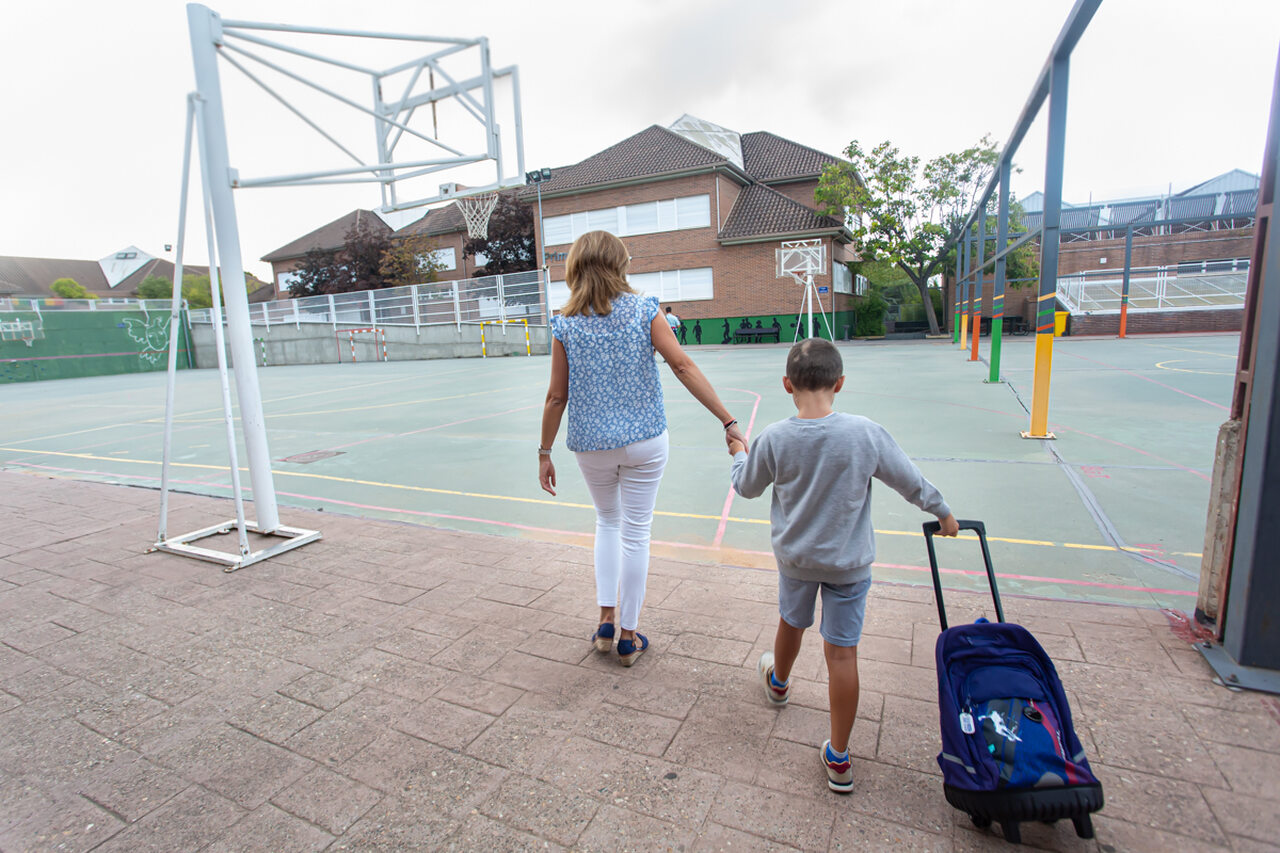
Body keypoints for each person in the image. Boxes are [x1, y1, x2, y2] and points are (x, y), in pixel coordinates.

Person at [726, 338, 958, 792]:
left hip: (796, 559)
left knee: (792, 622)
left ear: (787, 384)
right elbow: (909, 480)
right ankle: (838, 756)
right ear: (841, 383)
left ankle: (779, 682)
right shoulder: (865, 433)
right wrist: (942, 511)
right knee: (842, 653)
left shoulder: (773, 438)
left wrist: (739, 451)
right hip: (849, 564)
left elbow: (746, 486)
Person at [540, 231, 745, 667]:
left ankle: (605, 622)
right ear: (621, 264)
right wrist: (726, 419)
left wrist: (544, 451)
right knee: (636, 531)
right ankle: (630, 637)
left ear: (575, 267)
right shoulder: (644, 309)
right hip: (646, 440)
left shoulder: (565, 323)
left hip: (592, 444)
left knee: (607, 523)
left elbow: (556, 397)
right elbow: (682, 364)